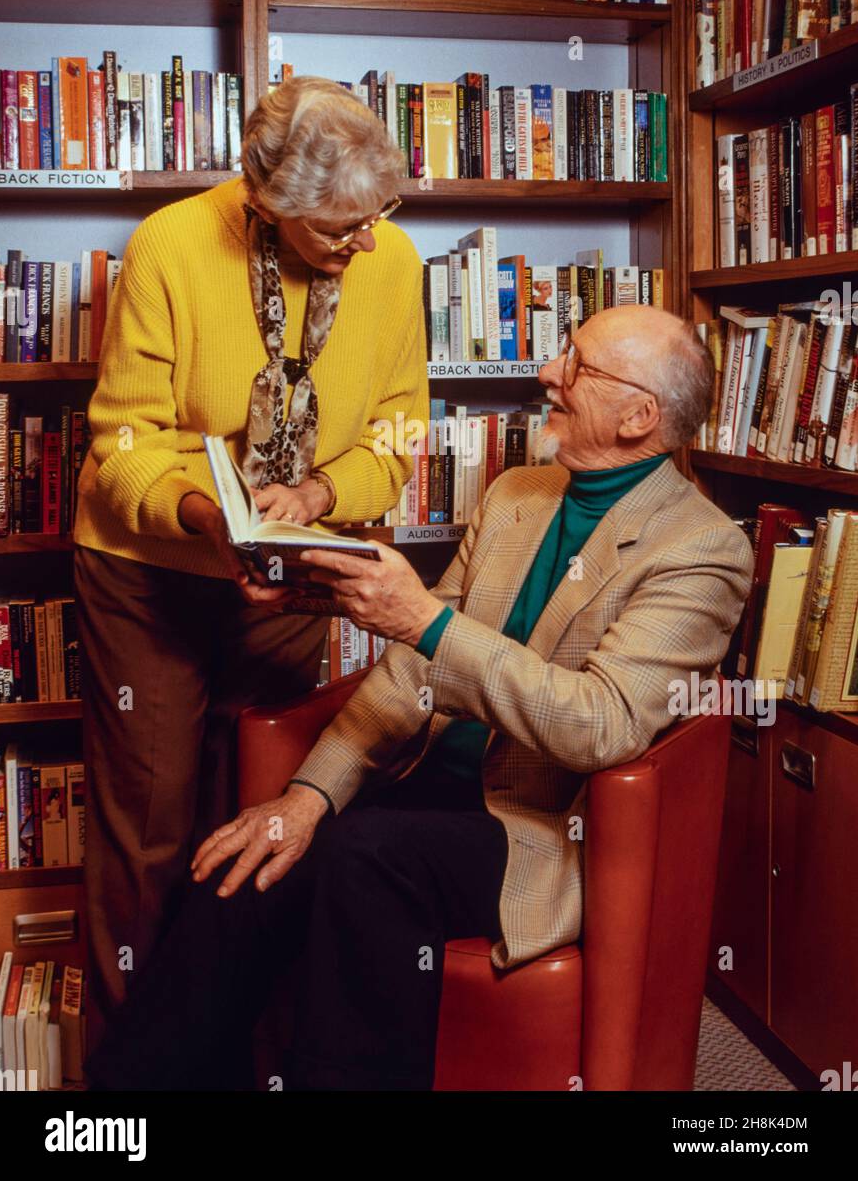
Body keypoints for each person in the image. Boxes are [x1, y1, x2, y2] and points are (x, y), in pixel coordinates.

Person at [86, 304, 754, 1092]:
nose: (548, 375)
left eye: (577, 366)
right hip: (426, 782)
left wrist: (428, 623)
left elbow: (599, 726)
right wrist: (303, 797)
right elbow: (412, 669)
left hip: (541, 823)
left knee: (366, 857)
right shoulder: (518, 495)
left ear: (638, 416)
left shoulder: (703, 550)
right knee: (246, 851)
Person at [73, 75, 429, 1043]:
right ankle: (135, 1070)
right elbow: (125, 441)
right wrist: (206, 514)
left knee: (262, 808)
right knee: (149, 825)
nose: (364, 242)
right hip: (153, 569)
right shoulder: (173, 243)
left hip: (293, 569)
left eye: (378, 214)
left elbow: (398, 434)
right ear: (263, 200)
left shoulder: (390, 257)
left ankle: (242, 1048)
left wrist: (316, 497)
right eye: (335, 227)